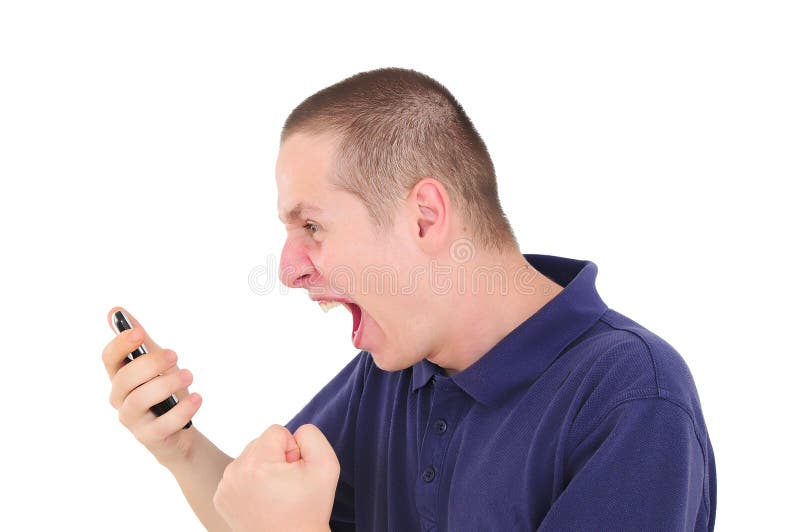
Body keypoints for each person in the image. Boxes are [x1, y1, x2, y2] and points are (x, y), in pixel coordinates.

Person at [102, 67, 716, 531]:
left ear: (424, 217)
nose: (288, 269)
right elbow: (262, 513)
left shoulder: (632, 398)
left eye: (311, 226)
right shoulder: (396, 370)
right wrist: (179, 446)